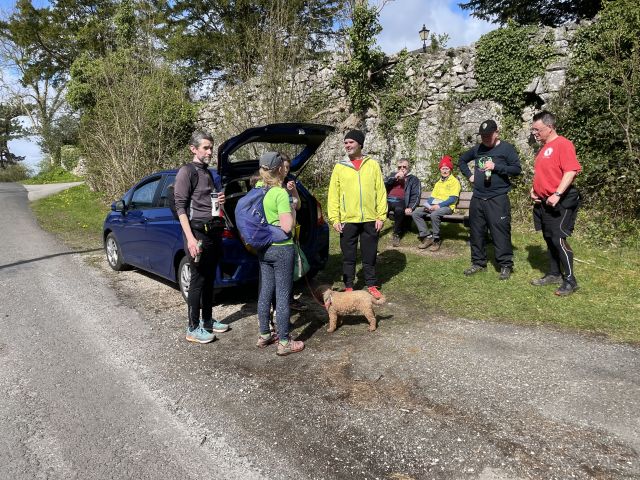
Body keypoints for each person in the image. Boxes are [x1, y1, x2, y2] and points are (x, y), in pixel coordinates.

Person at [174, 130, 229, 344]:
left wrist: (221, 201)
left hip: (212, 231)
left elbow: (210, 202)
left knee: (209, 278)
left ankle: (207, 320)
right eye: (205, 148)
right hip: (196, 233)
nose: (209, 152)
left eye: (211, 148)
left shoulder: (209, 173)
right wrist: (190, 239)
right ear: (193, 149)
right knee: (197, 280)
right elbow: (180, 208)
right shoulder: (186, 172)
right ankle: (192, 328)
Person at [458, 119, 522, 280]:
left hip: (497, 197)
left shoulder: (506, 148)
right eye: (482, 136)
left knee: (500, 231)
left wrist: (496, 167)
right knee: (476, 231)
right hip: (478, 197)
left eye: (488, 135)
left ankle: (505, 265)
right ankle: (478, 263)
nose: (485, 138)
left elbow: (516, 169)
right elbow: (462, 160)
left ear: (496, 133)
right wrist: (470, 176)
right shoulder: (478, 149)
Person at [327, 130, 387, 299]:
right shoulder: (340, 167)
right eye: (345, 143)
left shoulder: (372, 164)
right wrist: (335, 218)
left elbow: (380, 191)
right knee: (349, 256)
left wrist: (380, 216)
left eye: (351, 142)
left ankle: (371, 284)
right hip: (348, 219)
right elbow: (333, 194)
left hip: (370, 218)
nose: (347, 145)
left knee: (369, 254)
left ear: (360, 144)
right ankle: (349, 286)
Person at [255, 151, 304, 356]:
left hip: (263, 247)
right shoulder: (279, 193)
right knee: (283, 295)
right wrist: (291, 209)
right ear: (279, 169)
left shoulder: (258, 189)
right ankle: (284, 341)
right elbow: (286, 226)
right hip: (282, 247)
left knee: (265, 291)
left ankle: (264, 334)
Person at [530, 111, 582, 296]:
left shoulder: (563, 144)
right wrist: (534, 190)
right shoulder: (543, 148)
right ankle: (554, 274)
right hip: (544, 202)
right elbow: (543, 174)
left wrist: (557, 193)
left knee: (558, 239)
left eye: (537, 129)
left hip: (562, 201)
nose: (534, 133)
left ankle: (570, 281)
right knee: (548, 237)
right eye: (533, 129)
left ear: (550, 127)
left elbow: (571, 171)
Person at [412, 155, 461, 252]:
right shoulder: (438, 183)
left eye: (447, 168)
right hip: (435, 205)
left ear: (450, 170)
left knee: (434, 214)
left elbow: (453, 199)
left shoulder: (454, 182)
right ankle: (427, 237)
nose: (445, 171)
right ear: (440, 170)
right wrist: (427, 205)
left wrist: (438, 206)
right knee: (416, 213)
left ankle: (436, 239)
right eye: (443, 169)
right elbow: (432, 198)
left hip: (447, 207)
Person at [384, 157, 422, 247]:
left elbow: (416, 195)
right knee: (380, 209)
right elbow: (383, 186)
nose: (402, 169)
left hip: (401, 201)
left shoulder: (413, 179)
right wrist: (394, 178)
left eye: (404, 167)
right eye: (399, 167)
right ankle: (374, 231)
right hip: (388, 200)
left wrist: (411, 207)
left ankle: (396, 234)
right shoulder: (392, 175)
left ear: (408, 168)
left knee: (399, 210)